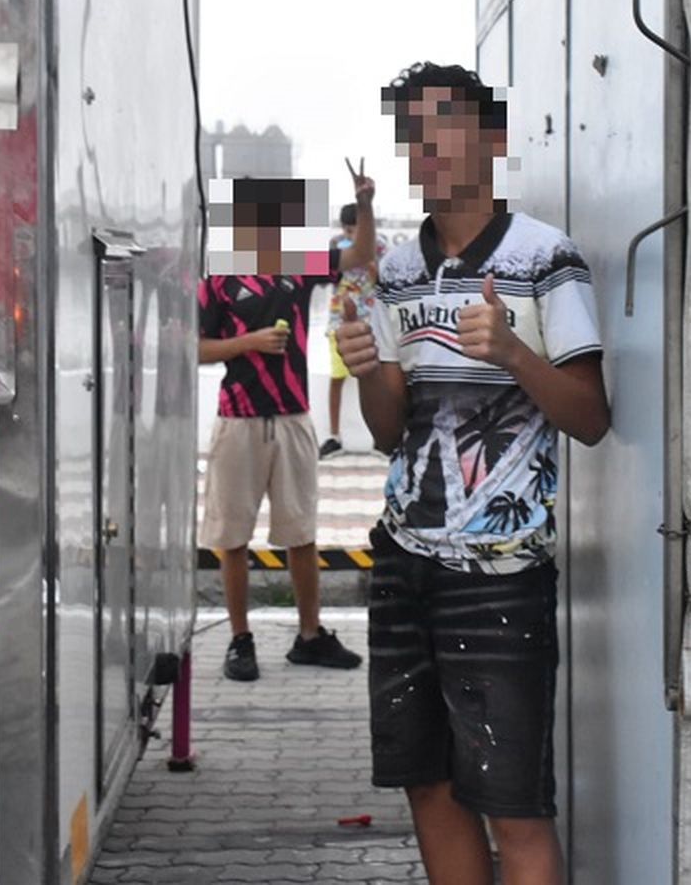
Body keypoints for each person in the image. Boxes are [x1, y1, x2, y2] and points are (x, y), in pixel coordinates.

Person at [335, 62, 610, 885]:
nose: (427, 146)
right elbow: (391, 431)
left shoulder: (545, 258)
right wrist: (366, 368)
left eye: (445, 124)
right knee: (428, 788)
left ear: (493, 140)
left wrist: (512, 350)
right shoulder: (394, 272)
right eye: (412, 132)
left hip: (504, 574)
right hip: (402, 563)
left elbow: (590, 419)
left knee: (515, 806)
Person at [197, 165, 378, 681]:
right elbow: (195, 348)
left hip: (295, 417)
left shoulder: (296, 264)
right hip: (238, 420)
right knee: (231, 537)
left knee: (302, 532)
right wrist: (247, 344)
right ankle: (239, 640)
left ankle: (310, 634)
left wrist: (363, 205)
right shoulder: (217, 279)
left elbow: (360, 257)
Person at [320, 202, 387, 460]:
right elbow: (327, 277)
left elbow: (385, 281)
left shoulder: (379, 246)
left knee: (373, 380)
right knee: (336, 378)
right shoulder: (336, 245)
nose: (351, 236)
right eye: (347, 231)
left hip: (371, 321)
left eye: (355, 230)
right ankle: (334, 437)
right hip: (339, 320)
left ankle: (379, 439)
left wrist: (369, 262)